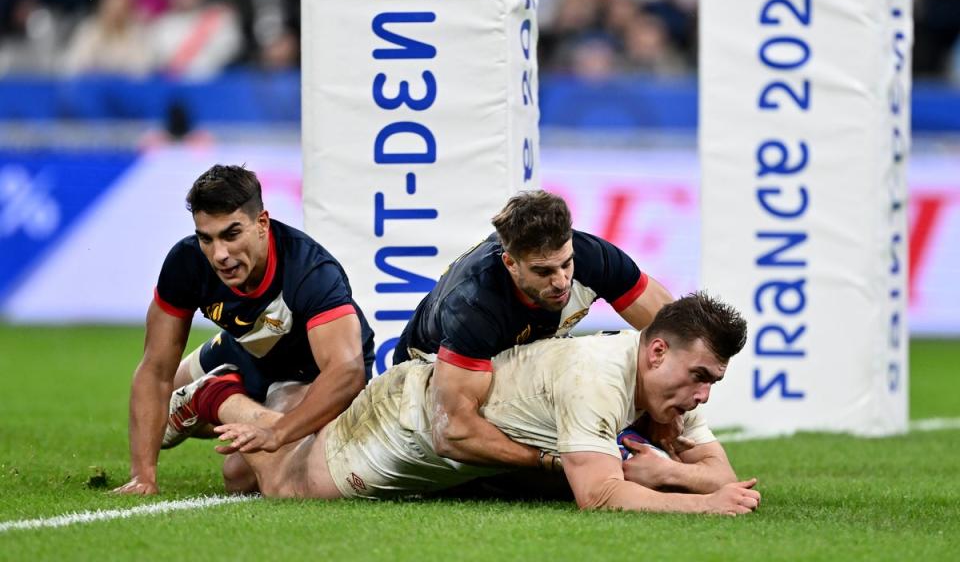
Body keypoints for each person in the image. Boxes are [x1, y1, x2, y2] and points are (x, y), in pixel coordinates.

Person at [191, 292, 759, 515]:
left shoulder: (674, 388)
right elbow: (601, 494)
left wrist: (668, 472)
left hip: (452, 449)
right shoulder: (599, 377)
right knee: (284, 488)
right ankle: (220, 397)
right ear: (657, 351)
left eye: (712, 382)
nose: (703, 395)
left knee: (239, 476)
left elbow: (721, 474)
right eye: (700, 377)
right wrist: (699, 501)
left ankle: (282, 400)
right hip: (412, 420)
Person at [113, 164, 374, 495]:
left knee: (239, 475)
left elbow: (345, 371)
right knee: (157, 416)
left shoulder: (310, 271)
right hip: (245, 349)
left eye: (231, 234)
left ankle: (213, 397)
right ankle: (208, 396)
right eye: (206, 238)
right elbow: (155, 370)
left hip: (306, 374)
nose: (220, 254)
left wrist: (278, 432)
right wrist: (143, 477)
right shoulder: (187, 263)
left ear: (261, 223)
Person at [391, 190, 674, 471]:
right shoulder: (474, 305)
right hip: (420, 391)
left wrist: (666, 408)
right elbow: (453, 433)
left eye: (566, 264)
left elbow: (679, 336)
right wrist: (549, 462)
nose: (562, 281)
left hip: (503, 369)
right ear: (511, 263)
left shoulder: (592, 256)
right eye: (544, 272)